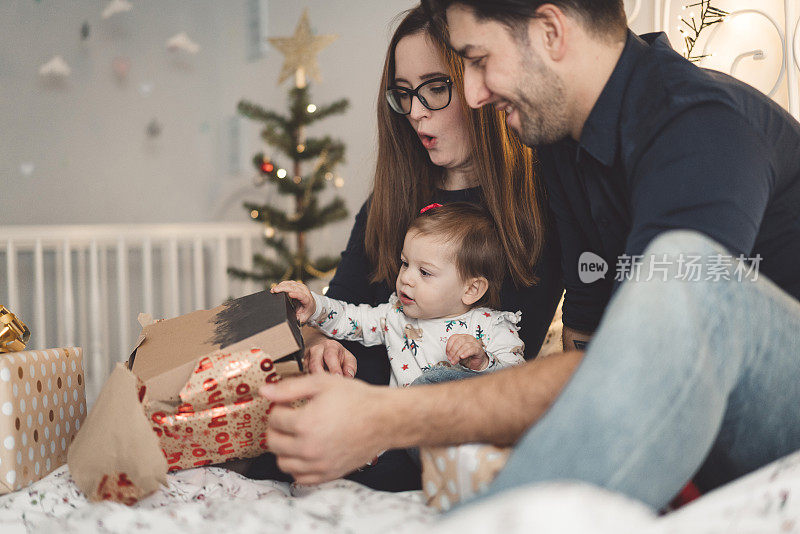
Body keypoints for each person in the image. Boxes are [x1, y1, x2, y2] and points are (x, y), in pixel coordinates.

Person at [258, 0, 800, 511]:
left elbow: (659, 349)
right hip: (698, 407)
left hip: (772, 398)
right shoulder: (566, 145)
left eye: (479, 61)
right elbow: (586, 349)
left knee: (688, 275)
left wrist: (385, 416)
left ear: (550, 32)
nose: (473, 95)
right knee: (455, 381)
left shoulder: (698, 125)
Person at [255, 6, 563, 491]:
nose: (416, 111)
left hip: (444, 432)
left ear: (484, 81)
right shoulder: (390, 199)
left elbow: (518, 374)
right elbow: (339, 312)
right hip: (354, 421)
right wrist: (321, 346)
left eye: (436, 88)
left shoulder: (544, 204)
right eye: (403, 94)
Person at [273, 203, 526, 387]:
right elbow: (349, 318)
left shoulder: (491, 326)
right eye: (405, 263)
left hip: (465, 431)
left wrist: (482, 362)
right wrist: (314, 305)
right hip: (408, 430)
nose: (406, 277)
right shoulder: (394, 316)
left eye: (425, 272)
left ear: (471, 290)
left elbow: (518, 384)